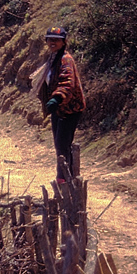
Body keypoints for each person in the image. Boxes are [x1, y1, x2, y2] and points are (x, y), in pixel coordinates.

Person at [32, 26, 86, 184]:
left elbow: (67, 83)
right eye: (49, 39)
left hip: (69, 108)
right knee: (59, 144)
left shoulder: (65, 59)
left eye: (56, 40)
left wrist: (56, 98)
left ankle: (65, 180)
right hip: (59, 108)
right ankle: (65, 178)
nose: (52, 42)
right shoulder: (53, 57)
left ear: (64, 42)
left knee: (62, 145)